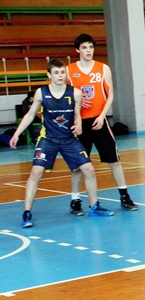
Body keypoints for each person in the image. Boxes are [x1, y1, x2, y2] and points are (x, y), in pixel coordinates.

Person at [10, 59, 114, 227]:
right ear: (49, 75)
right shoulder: (41, 93)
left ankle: (94, 207)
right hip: (48, 139)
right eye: (56, 72)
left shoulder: (75, 93)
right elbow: (30, 115)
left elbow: (77, 114)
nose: (60, 75)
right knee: (36, 172)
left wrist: (79, 124)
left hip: (68, 139)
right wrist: (16, 134)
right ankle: (27, 213)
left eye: (62, 72)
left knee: (89, 169)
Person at [67, 33, 137, 215]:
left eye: (90, 47)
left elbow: (110, 94)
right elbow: (65, 96)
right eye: (84, 47)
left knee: (114, 161)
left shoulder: (103, 68)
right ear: (77, 50)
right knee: (78, 166)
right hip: (79, 124)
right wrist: (78, 103)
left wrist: (102, 115)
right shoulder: (69, 71)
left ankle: (125, 196)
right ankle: (75, 201)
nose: (88, 50)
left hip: (100, 121)